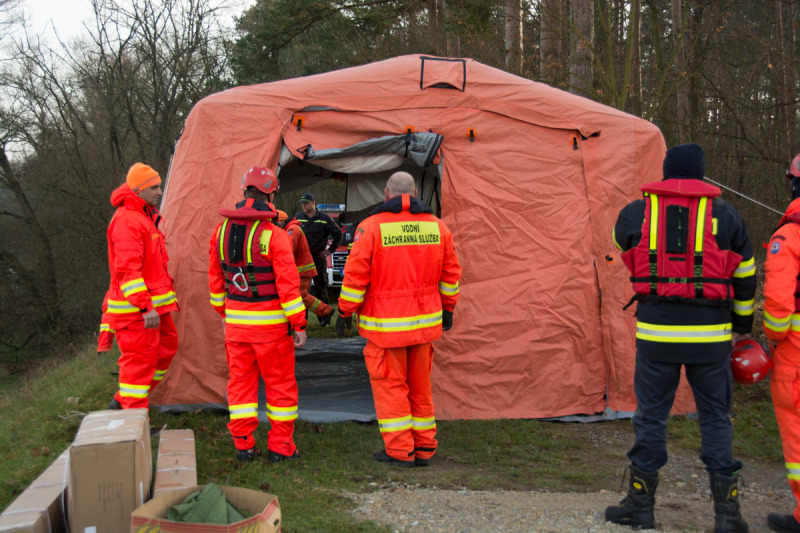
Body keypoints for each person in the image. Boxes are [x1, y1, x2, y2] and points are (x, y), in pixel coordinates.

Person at [607, 144, 756, 533]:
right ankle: (728, 516)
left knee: (651, 417)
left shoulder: (637, 212)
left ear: (666, 171)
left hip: (657, 336)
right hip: (711, 339)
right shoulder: (727, 216)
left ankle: (640, 507)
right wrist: (743, 326)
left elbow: (619, 239)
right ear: (702, 174)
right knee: (716, 418)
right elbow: (745, 277)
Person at [335, 171, 461, 468]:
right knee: (420, 389)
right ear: (415, 193)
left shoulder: (371, 228)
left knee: (392, 389)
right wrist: (448, 309)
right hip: (424, 328)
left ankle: (400, 450)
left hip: (386, 330)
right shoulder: (438, 227)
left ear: (386, 194)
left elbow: (355, 278)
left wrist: (344, 312)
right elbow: (451, 275)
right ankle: (425, 447)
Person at [208, 166, 307, 463]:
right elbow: (288, 287)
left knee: (240, 385)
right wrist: (299, 324)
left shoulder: (219, 232)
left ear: (244, 191)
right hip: (272, 331)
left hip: (236, 329)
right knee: (280, 387)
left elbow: (215, 283)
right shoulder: (275, 236)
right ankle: (280, 446)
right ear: (271, 194)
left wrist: (225, 312)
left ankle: (243, 446)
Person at [106, 163, 179, 410]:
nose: (160, 192)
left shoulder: (143, 216)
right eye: (154, 187)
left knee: (166, 349)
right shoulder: (128, 220)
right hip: (138, 312)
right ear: (138, 190)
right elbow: (127, 271)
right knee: (139, 365)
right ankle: (134, 418)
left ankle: (125, 402)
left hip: (154, 308)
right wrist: (144, 307)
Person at [763, 197, 800, 533]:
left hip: (795, 351)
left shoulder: (789, 235)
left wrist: (773, 338)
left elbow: (777, 302)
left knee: (796, 429)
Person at [273, 210, 336, 327]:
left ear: (281, 221)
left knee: (300, 294)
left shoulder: (292, 230)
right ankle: (300, 321)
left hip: (302, 269)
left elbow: (289, 249)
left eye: (276, 222)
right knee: (298, 295)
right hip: (300, 269)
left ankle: (326, 311)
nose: (275, 225)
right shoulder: (290, 229)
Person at [294, 193, 341, 313]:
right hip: (302, 260)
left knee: (321, 287)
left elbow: (338, 234)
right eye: (302, 203)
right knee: (302, 289)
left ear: (313, 203)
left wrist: (330, 250)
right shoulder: (298, 217)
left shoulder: (324, 218)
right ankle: (303, 317)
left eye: (306, 203)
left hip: (318, 259)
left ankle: (324, 316)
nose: (303, 205)